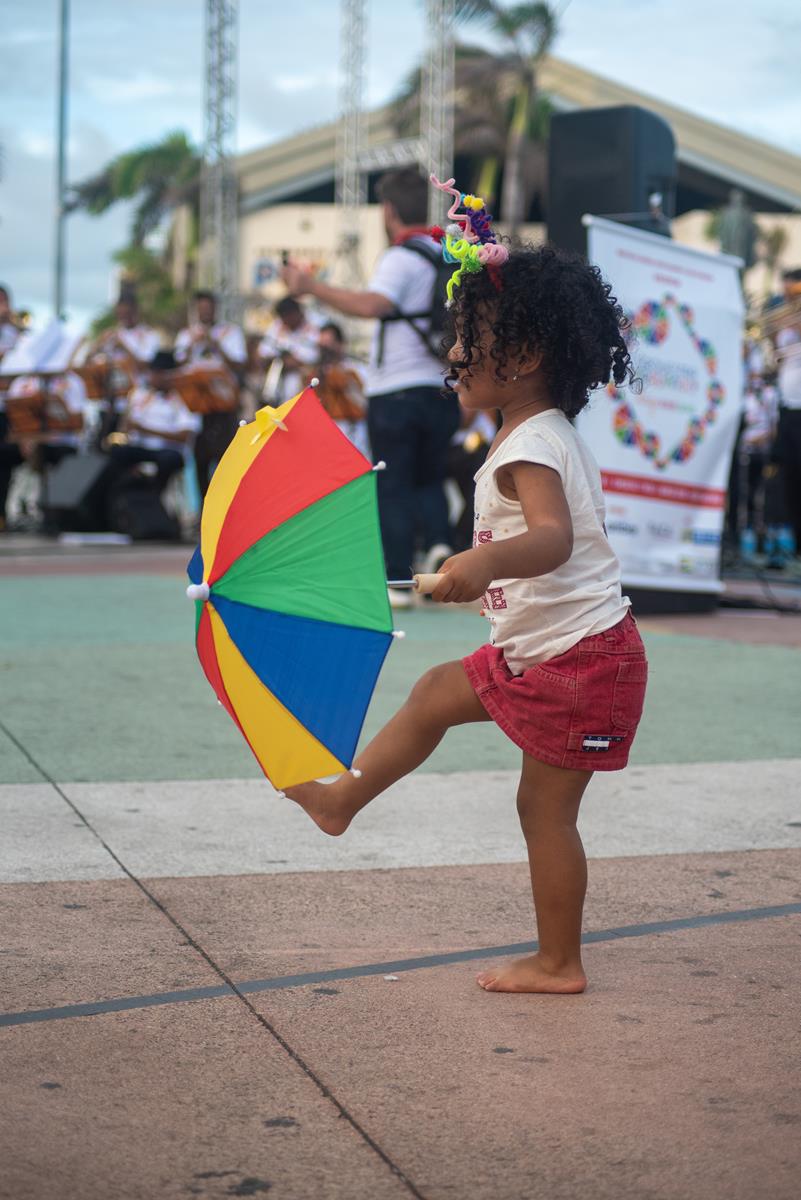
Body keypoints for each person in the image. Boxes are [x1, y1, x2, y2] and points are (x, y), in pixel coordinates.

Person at [284, 223, 647, 998]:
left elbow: (550, 539)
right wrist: (480, 575)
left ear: (524, 357)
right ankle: (342, 801)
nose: (452, 354)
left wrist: (482, 563)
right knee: (434, 693)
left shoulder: (532, 445)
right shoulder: (531, 433)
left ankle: (559, 964)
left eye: (466, 339)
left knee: (543, 811)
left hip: (579, 660)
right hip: (544, 651)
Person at [281, 168, 459, 608]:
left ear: (388, 211)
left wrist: (311, 286)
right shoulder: (443, 252)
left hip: (396, 390)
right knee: (430, 479)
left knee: (393, 484)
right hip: (441, 388)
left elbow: (373, 304)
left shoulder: (400, 257)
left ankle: (398, 580)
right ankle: (438, 545)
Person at [174, 290, 247, 498]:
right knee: (200, 460)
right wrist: (193, 344)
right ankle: (202, 509)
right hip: (197, 407)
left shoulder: (231, 332)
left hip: (223, 405)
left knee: (226, 459)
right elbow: (179, 363)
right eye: (201, 309)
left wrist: (216, 345)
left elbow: (239, 364)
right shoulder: (186, 335)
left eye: (209, 308)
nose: (205, 312)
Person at [108, 349, 200, 499]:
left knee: (168, 460)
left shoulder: (184, 398)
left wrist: (145, 430)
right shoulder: (140, 394)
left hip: (168, 450)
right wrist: (125, 427)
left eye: (157, 374)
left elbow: (186, 436)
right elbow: (126, 427)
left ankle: (155, 495)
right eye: (152, 373)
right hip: (142, 447)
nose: (152, 377)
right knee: (117, 453)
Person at [312, 321, 370, 458]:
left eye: (329, 344)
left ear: (340, 344)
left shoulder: (355, 369)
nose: (325, 351)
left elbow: (363, 404)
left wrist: (338, 375)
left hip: (353, 431)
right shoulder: (314, 374)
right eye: (322, 346)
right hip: (325, 434)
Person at [774, 268, 801, 553]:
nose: (786, 295)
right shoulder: (786, 317)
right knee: (789, 476)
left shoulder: (793, 319)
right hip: (787, 406)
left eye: (792, 290)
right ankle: (796, 544)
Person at [257, 297, 321, 405]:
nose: (285, 321)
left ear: (296, 313)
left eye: (287, 317)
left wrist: (295, 362)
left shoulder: (315, 324)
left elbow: (315, 358)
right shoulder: (276, 326)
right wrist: (279, 360)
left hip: (305, 382)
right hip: (277, 382)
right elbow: (262, 353)